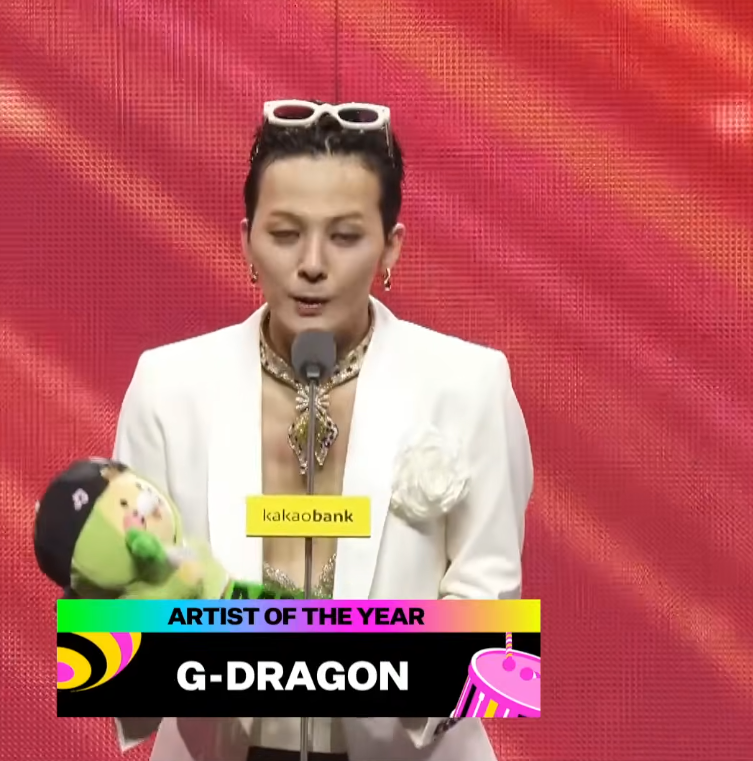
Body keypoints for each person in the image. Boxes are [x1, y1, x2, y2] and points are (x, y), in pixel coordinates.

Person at [109, 100, 533, 761]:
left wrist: (325, 660)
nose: (311, 264)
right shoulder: (169, 387)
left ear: (390, 246)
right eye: (284, 234)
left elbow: (490, 611)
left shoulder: (468, 384)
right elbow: (128, 622)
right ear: (247, 241)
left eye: (344, 237)